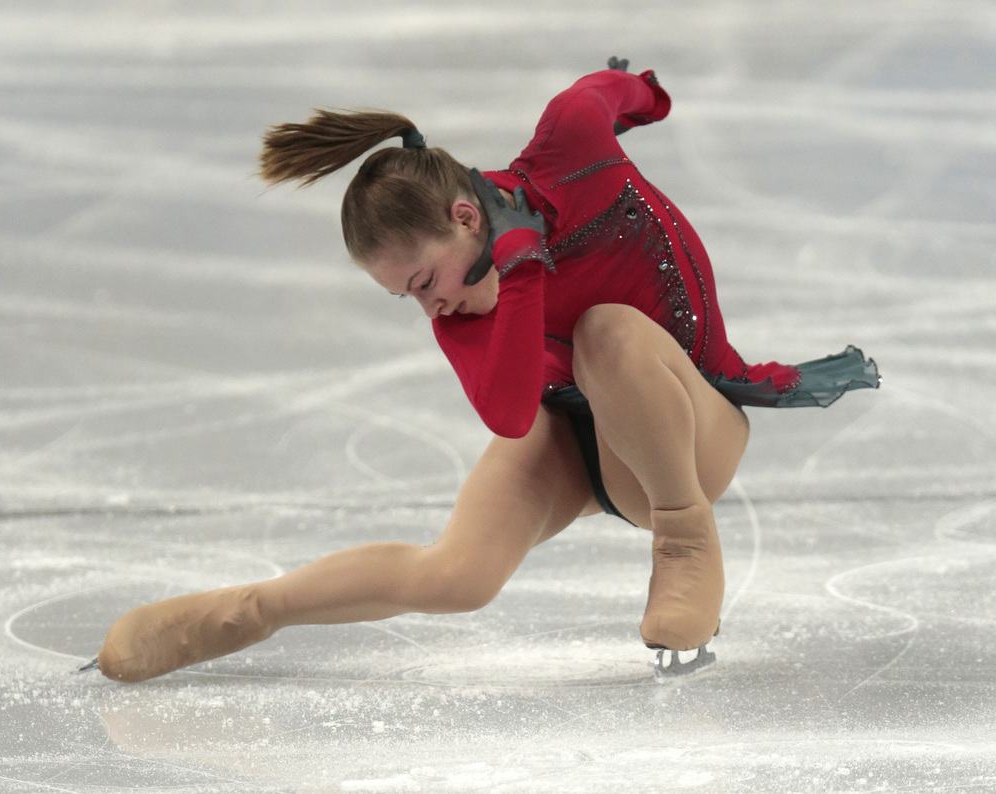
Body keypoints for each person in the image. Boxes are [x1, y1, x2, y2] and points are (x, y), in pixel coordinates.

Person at [86, 59, 878, 683]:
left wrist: (644, 92)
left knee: (607, 332)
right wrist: (523, 274)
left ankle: (683, 543)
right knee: (457, 577)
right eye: (405, 298)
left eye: (423, 281)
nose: (428, 309)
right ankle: (241, 613)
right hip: (577, 436)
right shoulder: (463, 311)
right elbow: (507, 414)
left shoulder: (566, 151)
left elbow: (598, 98)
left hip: (690, 427)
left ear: (465, 218)